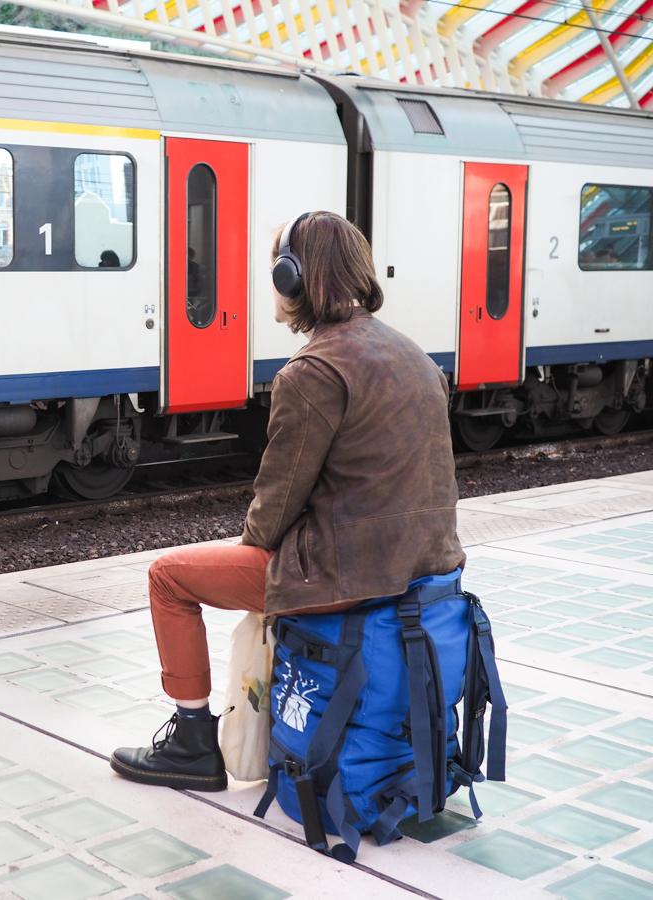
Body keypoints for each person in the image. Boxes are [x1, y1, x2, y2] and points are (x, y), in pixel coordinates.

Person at [110, 211, 465, 792]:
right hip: (429, 571)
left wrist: (258, 551)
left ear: (293, 277)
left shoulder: (311, 370)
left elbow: (273, 510)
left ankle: (193, 741)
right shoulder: (416, 358)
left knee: (168, 577)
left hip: (344, 578)